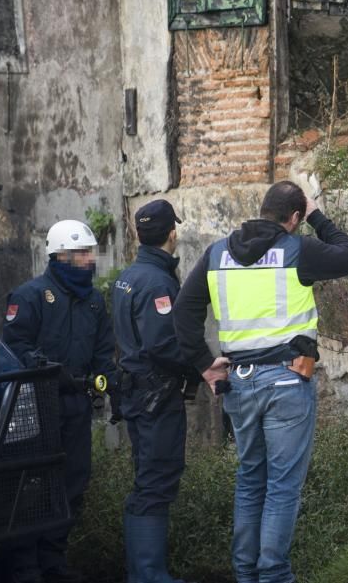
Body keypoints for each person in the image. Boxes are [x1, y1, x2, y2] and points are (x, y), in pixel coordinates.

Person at [172, 180, 348, 583]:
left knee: (250, 478)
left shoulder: (218, 253)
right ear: (293, 218)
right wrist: (317, 215)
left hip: (238, 383)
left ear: (261, 209)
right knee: (282, 485)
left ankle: (246, 574)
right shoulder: (298, 248)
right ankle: (273, 575)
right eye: (299, 216)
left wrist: (205, 365)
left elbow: (183, 311)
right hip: (287, 381)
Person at [3, 219, 118, 583]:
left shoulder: (94, 301)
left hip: (76, 404)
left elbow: (103, 351)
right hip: (35, 404)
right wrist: (48, 370)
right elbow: (15, 347)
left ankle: (54, 563)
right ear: (59, 256)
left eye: (89, 252)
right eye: (80, 254)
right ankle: (25, 566)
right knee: (32, 484)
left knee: (73, 482)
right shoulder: (30, 296)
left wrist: (108, 383)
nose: (88, 260)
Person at [112, 200, 198, 583]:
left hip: (136, 392)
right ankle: (150, 574)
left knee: (146, 480)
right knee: (157, 482)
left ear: (137, 233)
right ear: (172, 234)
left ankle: (141, 572)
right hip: (155, 396)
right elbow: (163, 345)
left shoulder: (129, 276)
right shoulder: (157, 281)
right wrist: (202, 364)